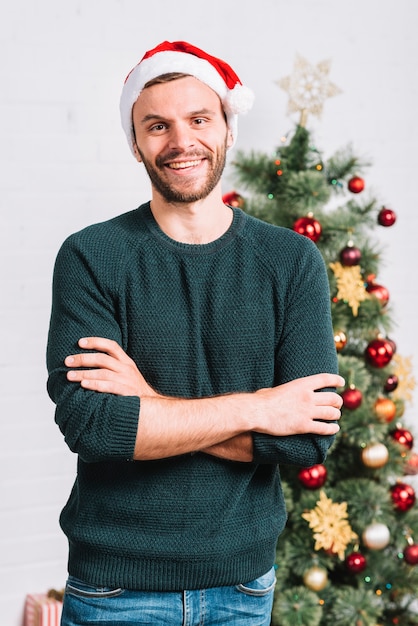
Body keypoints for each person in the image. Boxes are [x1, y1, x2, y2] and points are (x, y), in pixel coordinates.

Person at [46, 40, 344, 626]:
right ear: (136, 145)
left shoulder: (291, 261)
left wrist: (150, 408)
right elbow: (95, 426)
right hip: (115, 590)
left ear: (228, 129)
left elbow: (306, 439)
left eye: (199, 119)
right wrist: (262, 408)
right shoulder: (91, 256)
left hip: (242, 589)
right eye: (157, 126)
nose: (181, 142)